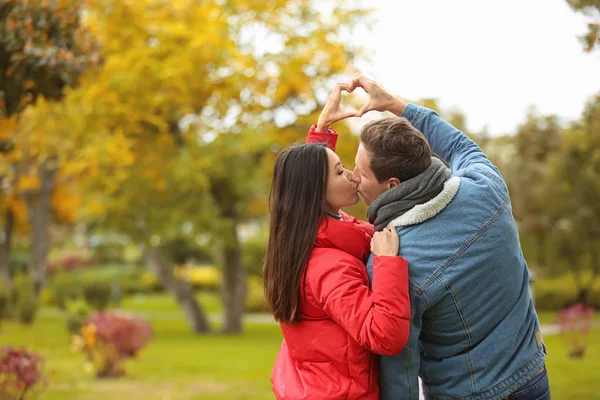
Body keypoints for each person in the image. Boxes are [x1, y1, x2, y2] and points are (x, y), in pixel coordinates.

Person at [314, 74, 549, 400]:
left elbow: (400, 369)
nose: (353, 177)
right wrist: (396, 104)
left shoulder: (395, 260)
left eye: (361, 172)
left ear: (392, 185)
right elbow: (457, 144)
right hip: (533, 375)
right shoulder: (486, 185)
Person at [264, 84, 411, 400]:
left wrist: (321, 133)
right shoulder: (330, 268)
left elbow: (305, 179)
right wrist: (387, 265)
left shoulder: (301, 235)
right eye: (341, 171)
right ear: (317, 192)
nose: (353, 176)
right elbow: (383, 336)